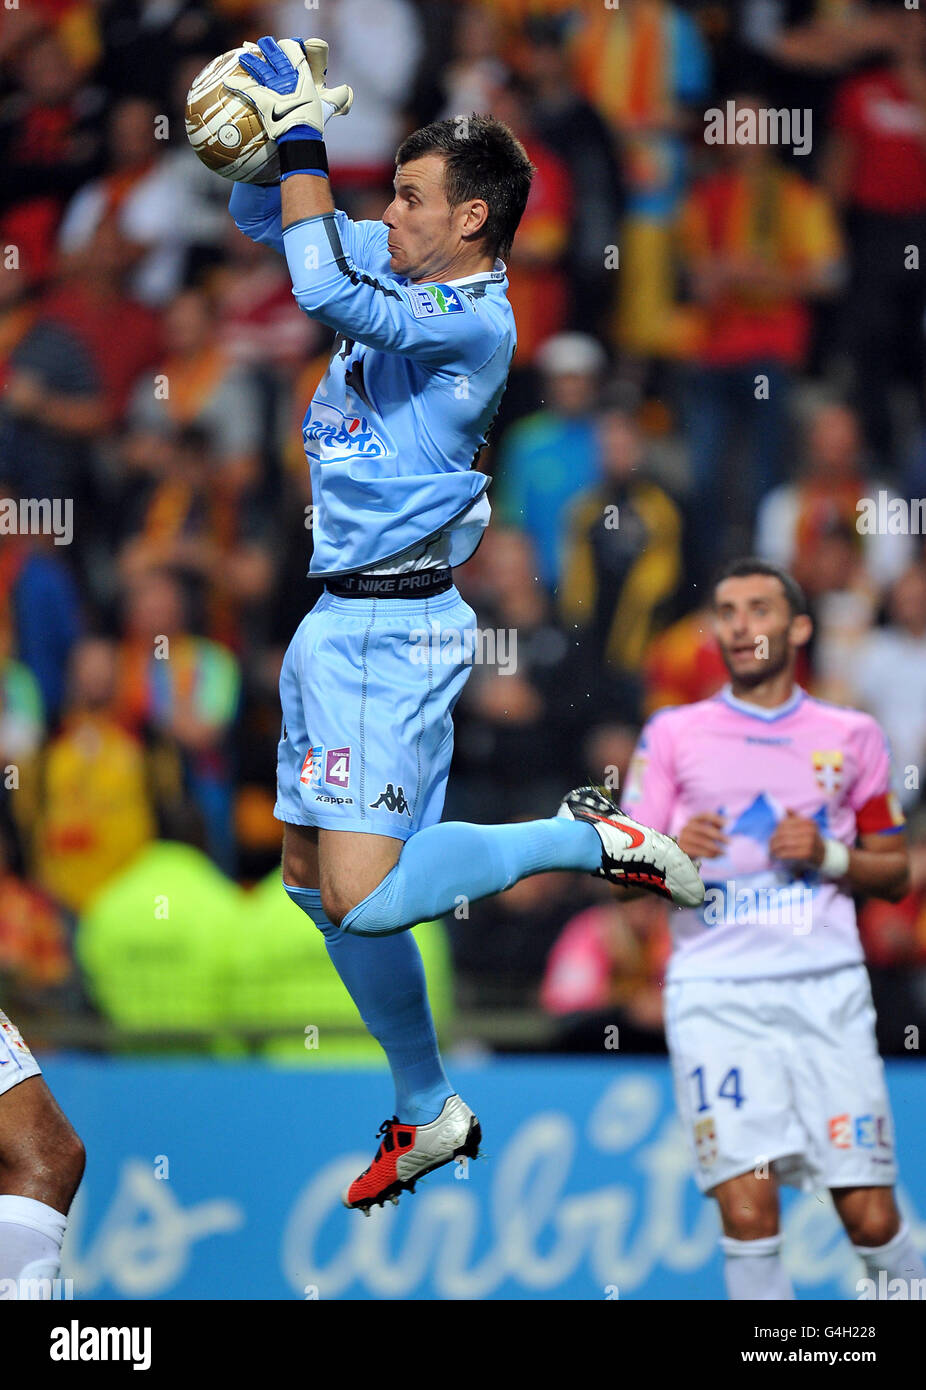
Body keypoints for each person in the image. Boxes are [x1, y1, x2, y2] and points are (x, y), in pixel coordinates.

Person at [224, 36, 703, 1213]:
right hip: (332, 623)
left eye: (407, 196)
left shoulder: (473, 324)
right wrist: (246, 132)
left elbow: (316, 285)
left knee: (368, 897)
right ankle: (428, 1105)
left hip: (396, 629)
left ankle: (576, 840)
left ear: (473, 219)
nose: (384, 210)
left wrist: (301, 144)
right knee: (303, 878)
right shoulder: (397, 270)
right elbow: (263, 226)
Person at [622, 557, 926, 1300]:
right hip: (714, 996)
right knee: (749, 1210)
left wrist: (825, 852)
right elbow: (619, 871)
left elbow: (894, 870)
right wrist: (666, 852)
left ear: (797, 627)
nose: (740, 625)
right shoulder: (670, 735)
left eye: (759, 609)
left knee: (870, 1216)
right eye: (726, 611)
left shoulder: (853, 736)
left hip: (826, 993)